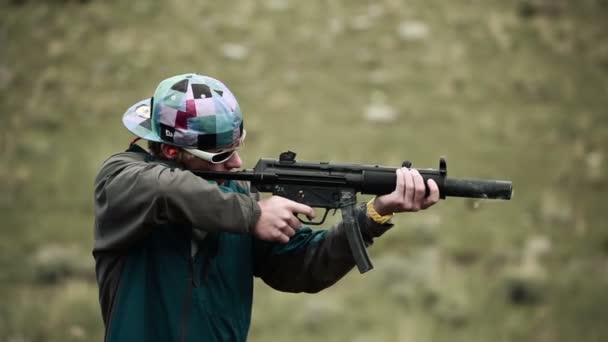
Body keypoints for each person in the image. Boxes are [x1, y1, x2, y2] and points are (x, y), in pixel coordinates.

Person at [93, 73, 440, 342]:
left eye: (237, 147)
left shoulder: (234, 193)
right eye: (223, 155)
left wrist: (373, 215)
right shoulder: (122, 178)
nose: (237, 162)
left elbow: (303, 267)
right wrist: (254, 215)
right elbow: (163, 188)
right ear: (171, 151)